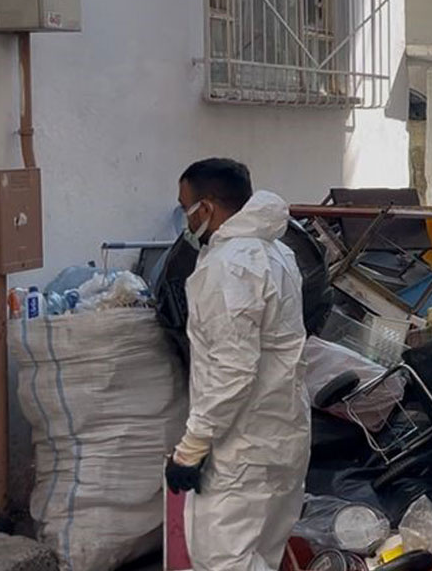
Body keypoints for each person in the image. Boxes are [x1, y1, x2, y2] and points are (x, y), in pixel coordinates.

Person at [165, 158, 310, 571]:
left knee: (222, 559)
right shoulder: (277, 253)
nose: (185, 218)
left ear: (206, 208)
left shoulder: (230, 266)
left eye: (185, 206)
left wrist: (191, 448)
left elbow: (233, 370)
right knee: (260, 555)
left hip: (244, 448)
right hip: (281, 438)